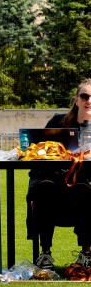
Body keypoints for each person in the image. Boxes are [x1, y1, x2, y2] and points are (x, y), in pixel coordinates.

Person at [27, 79, 91, 271]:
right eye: (85, 96)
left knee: (86, 191)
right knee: (44, 188)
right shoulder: (58, 121)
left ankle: (86, 254)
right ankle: (45, 254)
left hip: (85, 185)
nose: (89, 101)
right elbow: (39, 149)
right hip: (55, 182)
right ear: (77, 99)